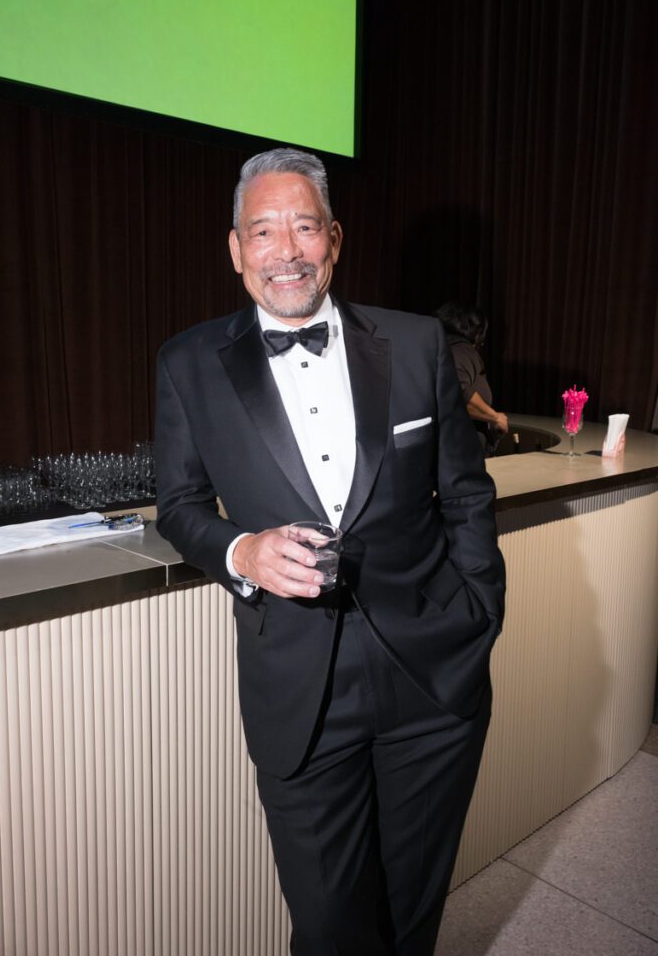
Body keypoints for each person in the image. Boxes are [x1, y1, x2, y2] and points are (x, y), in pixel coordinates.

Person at [154, 148, 506, 955]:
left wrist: (481, 613)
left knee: (411, 914)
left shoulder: (417, 344)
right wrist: (240, 550)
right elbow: (177, 506)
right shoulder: (187, 364)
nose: (287, 252)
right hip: (298, 688)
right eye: (264, 232)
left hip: (432, 672)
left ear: (334, 239)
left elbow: (465, 493)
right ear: (237, 250)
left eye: (304, 227)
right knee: (328, 925)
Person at [436, 300, 509, 455]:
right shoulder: (462, 349)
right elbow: (458, 394)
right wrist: (495, 417)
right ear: (477, 332)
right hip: (461, 450)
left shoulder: (440, 346)